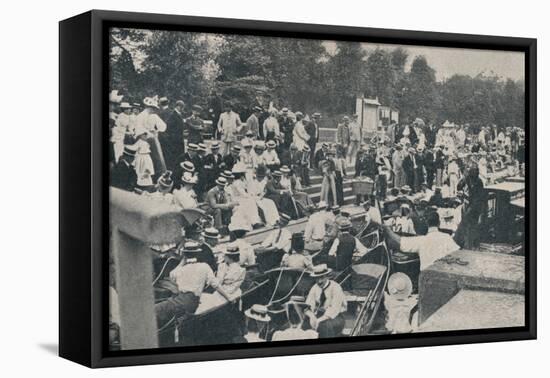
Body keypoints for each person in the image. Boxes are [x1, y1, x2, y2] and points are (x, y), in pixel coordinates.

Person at [154, 241, 233, 329]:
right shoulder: (204, 266)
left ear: (184, 254)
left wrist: (182, 261)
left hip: (182, 301)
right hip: (190, 301)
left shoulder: (180, 270)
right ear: (198, 254)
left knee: (154, 310)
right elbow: (216, 285)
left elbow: (171, 275)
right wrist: (229, 297)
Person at [380, 211, 460, 272]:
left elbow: (400, 241)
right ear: (439, 223)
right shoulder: (447, 238)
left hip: (427, 278)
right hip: (444, 275)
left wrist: (387, 230)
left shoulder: (421, 240)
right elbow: (458, 254)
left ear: (426, 224)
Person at [304, 264, 347, 338]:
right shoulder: (314, 287)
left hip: (335, 317)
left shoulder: (336, 287)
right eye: (317, 278)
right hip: (318, 315)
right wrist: (311, 316)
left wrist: (318, 320)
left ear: (327, 276)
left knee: (324, 326)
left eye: (322, 278)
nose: (319, 281)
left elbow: (334, 309)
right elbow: (308, 305)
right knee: (304, 324)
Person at [454, 163, 486, 249]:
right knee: (465, 225)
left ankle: (471, 244)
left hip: (475, 206)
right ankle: (463, 243)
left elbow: (478, 198)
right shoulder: (467, 178)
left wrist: (471, 209)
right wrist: (463, 181)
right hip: (468, 203)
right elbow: (459, 186)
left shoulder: (479, 182)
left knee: (472, 226)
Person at [135, 96, 167, 178]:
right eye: (152, 108)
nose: (154, 110)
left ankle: (155, 176)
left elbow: (163, 127)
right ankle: (142, 177)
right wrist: (149, 134)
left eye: (154, 108)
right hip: (143, 141)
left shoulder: (153, 116)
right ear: (148, 107)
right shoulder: (140, 116)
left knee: (157, 159)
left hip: (152, 140)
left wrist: (155, 131)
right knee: (144, 159)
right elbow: (139, 131)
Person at [161, 100, 186, 172]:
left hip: (178, 140)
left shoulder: (178, 115)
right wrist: (174, 137)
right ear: (178, 106)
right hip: (175, 141)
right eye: (181, 107)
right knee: (175, 157)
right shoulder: (173, 115)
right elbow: (168, 128)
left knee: (179, 157)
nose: (182, 109)